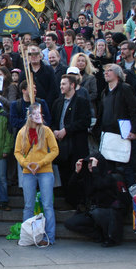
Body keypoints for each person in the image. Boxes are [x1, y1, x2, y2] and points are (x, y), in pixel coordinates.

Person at [14, 103, 59, 246]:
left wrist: (42, 163)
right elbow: (17, 152)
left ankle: (50, 237)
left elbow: (54, 150)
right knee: (28, 205)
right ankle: (27, 236)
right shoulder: (22, 132)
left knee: (47, 204)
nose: (36, 117)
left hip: (45, 171)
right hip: (28, 171)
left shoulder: (46, 131)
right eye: (34, 114)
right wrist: (25, 163)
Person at [64, 152, 126, 247]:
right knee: (70, 223)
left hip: (109, 212)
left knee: (97, 213)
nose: (90, 165)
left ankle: (109, 237)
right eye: (88, 163)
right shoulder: (88, 178)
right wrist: (76, 172)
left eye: (92, 163)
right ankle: (98, 235)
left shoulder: (111, 177)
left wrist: (95, 169)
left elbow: (100, 185)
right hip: (93, 212)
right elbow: (72, 188)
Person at [94, 64, 136, 186]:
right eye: (105, 71)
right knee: (110, 169)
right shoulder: (105, 93)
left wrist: (134, 130)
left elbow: (134, 110)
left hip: (123, 136)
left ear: (118, 74)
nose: (106, 73)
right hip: (108, 137)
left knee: (125, 170)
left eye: (110, 70)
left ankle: (128, 201)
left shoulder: (125, 88)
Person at [51, 74, 91, 206]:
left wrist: (66, 130)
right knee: (64, 173)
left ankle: (79, 203)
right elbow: (54, 121)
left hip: (76, 145)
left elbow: (85, 121)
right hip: (62, 146)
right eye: (61, 84)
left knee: (78, 174)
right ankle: (68, 201)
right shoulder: (57, 102)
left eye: (64, 84)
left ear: (72, 85)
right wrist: (56, 131)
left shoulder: (82, 101)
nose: (61, 86)